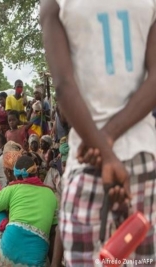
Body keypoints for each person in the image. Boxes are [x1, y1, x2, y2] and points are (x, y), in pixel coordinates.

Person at [40, 1, 156, 265]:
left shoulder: (53, 3)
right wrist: (109, 138)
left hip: (87, 160)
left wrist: (104, 149)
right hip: (144, 156)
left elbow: (64, 87)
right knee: (143, 260)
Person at [0, 155, 58, 266]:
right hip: (36, 262)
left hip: (5, 257)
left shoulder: (13, 188)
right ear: (36, 173)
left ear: (15, 175)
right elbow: (53, 233)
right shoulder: (51, 194)